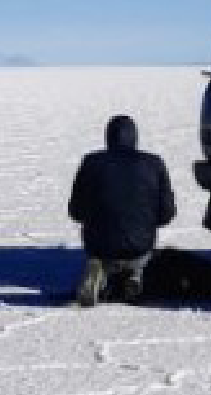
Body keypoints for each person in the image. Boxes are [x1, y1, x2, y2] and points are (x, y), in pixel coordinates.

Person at [67, 114, 175, 307]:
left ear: (108, 137)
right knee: (141, 253)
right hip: (140, 245)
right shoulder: (154, 163)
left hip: (99, 244)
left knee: (101, 250)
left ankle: (100, 270)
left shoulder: (91, 162)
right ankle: (135, 276)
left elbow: (76, 211)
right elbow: (166, 214)